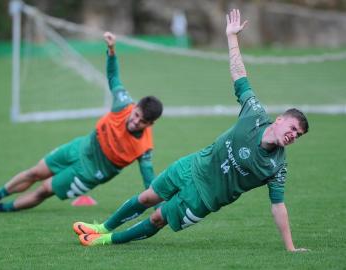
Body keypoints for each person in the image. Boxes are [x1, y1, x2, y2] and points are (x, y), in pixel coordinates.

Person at [73, 9, 310, 252]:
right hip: (192, 165)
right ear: (280, 120)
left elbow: (278, 206)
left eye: (298, 135)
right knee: (147, 197)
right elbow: (239, 74)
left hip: (204, 197)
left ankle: (107, 240)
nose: (294, 135)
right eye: (293, 128)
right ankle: (102, 227)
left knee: (157, 218)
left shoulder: (277, 166)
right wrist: (232, 37)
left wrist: (290, 248)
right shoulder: (255, 113)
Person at [0, 32, 163, 214]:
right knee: (36, 172)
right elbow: (113, 77)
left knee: (44, 189)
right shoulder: (123, 104)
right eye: (136, 115)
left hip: (91, 172)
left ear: (150, 124)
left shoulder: (144, 149)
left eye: (142, 121)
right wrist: (111, 50)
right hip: (81, 147)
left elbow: (149, 181)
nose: (135, 121)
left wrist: (159, 208)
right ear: (135, 107)